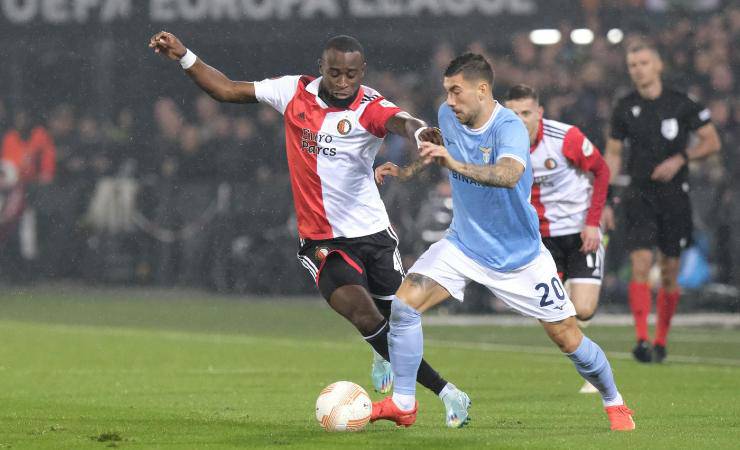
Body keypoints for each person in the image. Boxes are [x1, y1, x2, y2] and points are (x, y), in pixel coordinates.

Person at [148, 31, 468, 425]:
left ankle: (382, 352)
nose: (343, 82)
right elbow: (227, 89)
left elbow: (402, 121)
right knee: (365, 316)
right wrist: (185, 56)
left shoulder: (369, 106)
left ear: (361, 72)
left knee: (397, 322)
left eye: (351, 74)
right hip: (322, 240)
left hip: (373, 235)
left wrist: (420, 132)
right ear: (322, 68)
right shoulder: (294, 92)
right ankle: (446, 392)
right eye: (335, 72)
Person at [373, 53, 634, 431]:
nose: (448, 100)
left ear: (482, 90)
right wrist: (407, 170)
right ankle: (404, 403)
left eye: (456, 92)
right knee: (404, 306)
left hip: (520, 259)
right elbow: (438, 154)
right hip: (463, 245)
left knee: (569, 339)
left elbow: (509, 174)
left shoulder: (508, 126)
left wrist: (454, 164)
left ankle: (615, 401)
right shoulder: (448, 116)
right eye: (446, 91)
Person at [604, 41, 721, 363]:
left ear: (657, 66)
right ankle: (641, 339)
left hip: (674, 197)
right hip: (638, 195)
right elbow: (613, 154)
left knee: (669, 272)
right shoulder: (624, 106)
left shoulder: (681, 103)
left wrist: (681, 158)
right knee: (641, 265)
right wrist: (604, 196)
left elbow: (712, 141)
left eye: (643, 63)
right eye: (632, 65)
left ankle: (661, 340)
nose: (637, 69)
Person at [504, 84, 610, 394]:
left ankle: (590, 362)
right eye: (513, 114)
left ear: (539, 113)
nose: (520, 120)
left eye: (526, 113)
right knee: (549, 315)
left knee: (585, 309)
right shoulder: (501, 146)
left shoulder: (566, 138)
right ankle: (591, 368)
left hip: (579, 232)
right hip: (540, 241)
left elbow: (602, 172)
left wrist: (593, 223)